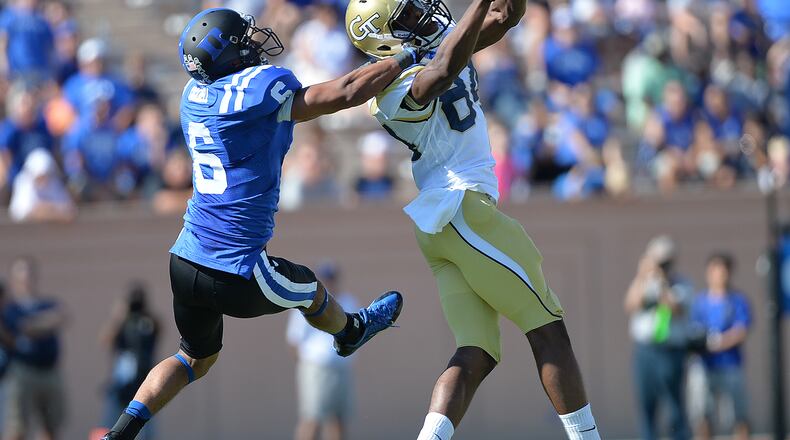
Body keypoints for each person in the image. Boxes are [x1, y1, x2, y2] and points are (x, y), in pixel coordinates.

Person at [101, 6, 489, 438]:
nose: (253, 42)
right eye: (243, 40)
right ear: (228, 55)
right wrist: (405, 55)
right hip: (236, 267)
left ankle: (121, 431)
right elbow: (343, 93)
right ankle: (351, 331)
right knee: (308, 288)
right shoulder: (259, 87)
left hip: (185, 260)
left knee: (193, 359)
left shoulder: (193, 97)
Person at [344, 0, 601, 437]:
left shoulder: (439, 47)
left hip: (443, 226)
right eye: (406, 15)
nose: (422, 13)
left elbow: (505, 18)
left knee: (477, 351)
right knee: (548, 328)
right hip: (462, 208)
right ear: (382, 36)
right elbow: (440, 73)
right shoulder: (387, 91)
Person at [624, 235, 693, 440]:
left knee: (674, 407)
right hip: (645, 351)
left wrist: (662, 282)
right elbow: (631, 304)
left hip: (670, 351)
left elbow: (675, 308)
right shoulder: (643, 283)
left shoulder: (681, 284)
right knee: (646, 407)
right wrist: (642, 275)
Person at [287, 262, 356, 440]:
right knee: (312, 418)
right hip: (316, 368)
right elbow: (294, 340)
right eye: (325, 279)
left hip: (341, 368)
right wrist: (307, 366)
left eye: (331, 278)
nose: (329, 282)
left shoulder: (348, 301)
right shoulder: (307, 302)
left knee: (338, 419)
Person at [3, 256, 67, 440]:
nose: (26, 277)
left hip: (49, 370)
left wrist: (31, 325)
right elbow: (21, 328)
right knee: (17, 427)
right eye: (22, 272)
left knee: (51, 426)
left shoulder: (46, 302)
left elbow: (61, 316)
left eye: (29, 272)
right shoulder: (11, 307)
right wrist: (42, 323)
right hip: (23, 371)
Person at [691, 253, 751, 440]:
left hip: (730, 365)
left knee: (738, 416)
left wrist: (720, 342)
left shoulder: (737, 300)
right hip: (704, 366)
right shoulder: (700, 302)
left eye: (723, 270)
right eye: (715, 270)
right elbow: (693, 330)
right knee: (702, 416)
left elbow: (741, 330)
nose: (719, 275)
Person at [100, 283, 160, 440]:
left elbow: (158, 329)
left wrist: (145, 313)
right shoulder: (122, 323)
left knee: (145, 430)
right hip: (121, 384)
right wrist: (120, 315)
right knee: (112, 427)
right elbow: (106, 339)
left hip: (143, 383)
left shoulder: (148, 323)